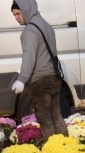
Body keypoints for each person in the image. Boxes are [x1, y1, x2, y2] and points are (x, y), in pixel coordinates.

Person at [10, 0, 69, 138]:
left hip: (40, 81)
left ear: (26, 10)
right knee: (57, 116)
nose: (16, 18)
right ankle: (66, 148)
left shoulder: (29, 31)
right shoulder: (46, 25)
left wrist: (21, 79)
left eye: (18, 13)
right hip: (54, 77)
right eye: (14, 15)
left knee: (45, 121)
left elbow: (29, 57)